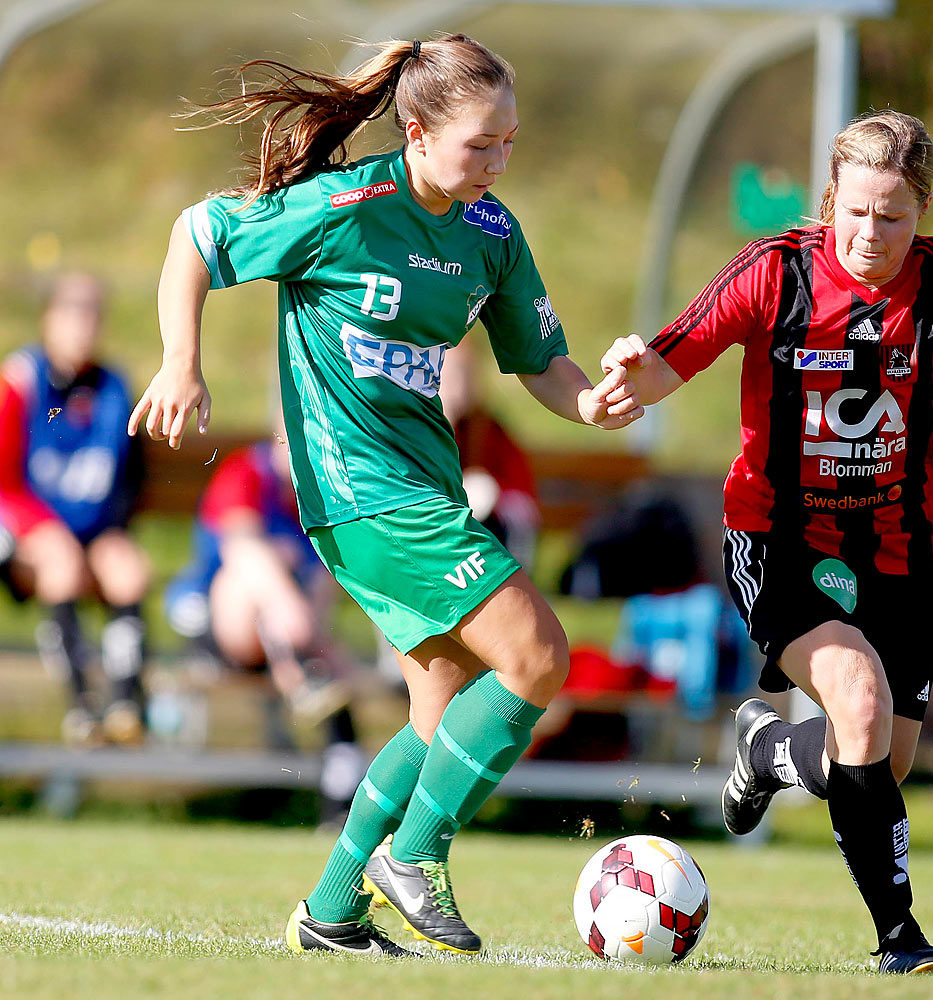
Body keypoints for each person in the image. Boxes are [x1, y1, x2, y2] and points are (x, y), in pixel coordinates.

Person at [128, 34, 642, 958]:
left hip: (422, 490)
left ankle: (331, 909)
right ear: (416, 130)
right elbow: (194, 238)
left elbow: (541, 364)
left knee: (442, 707)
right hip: (360, 493)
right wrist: (180, 361)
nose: (498, 161)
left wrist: (594, 403)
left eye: (510, 142)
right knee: (537, 657)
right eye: (480, 143)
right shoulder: (342, 205)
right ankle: (417, 855)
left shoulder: (490, 234)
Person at [601, 110, 933, 975]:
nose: (870, 234)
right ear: (830, 200)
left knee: (882, 756)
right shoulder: (774, 271)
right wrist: (631, 377)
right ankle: (901, 940)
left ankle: (768, 749)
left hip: (900, 545)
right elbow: (675, 353)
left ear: (922, 212)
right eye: (855, 211)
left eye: (893, 216)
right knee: (853, 698)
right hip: (778, 532)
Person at [164, 434, 365, 820]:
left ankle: (341, 805)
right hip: (226, 625)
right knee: (258, 560)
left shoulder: (326, 490)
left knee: (327, 660)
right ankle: (298, 662)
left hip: (299, 635)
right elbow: (240, 548)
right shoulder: (247, 472)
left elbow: (325, 587)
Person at [0, 273, 151, 745]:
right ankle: (81, 705)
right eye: (72, 313)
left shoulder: (111, 387)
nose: (82, 326)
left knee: (129, 570)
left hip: (91, 532)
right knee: (61, 564)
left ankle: (127, 704)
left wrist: (112, 532)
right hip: (29, 538)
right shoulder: (21, 382)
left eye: (91, 315)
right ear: (49, 319)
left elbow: (129, 477)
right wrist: (45, 530)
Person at [438, 338, 540, 569]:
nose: (459, 387)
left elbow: (519, 482)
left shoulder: (488, 428)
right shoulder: (422, 428)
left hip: (487, 521)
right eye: (452, 377)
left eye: (466, 376)